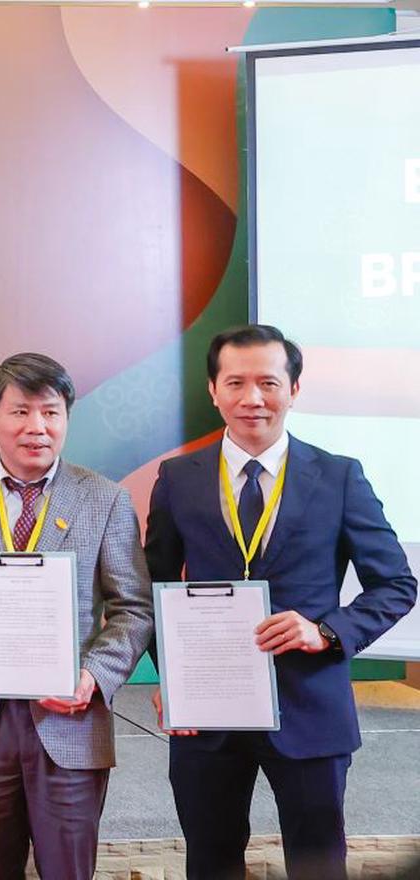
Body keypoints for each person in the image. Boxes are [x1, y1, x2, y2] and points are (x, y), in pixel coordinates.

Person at [145, 324, 416, 880]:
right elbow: (154, 585)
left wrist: (327, 631)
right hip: (208, 713)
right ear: (213, 390)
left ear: (293, 389)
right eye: (235, 382)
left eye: (268, 382)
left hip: (309, 705)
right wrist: (173, 678)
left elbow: (395, 584)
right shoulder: (178, 479)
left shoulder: (339, 477)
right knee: (210, 861)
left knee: (318, 863)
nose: (252, 398)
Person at [0, 353, 153, 880]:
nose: (37, 427)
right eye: (20, 412)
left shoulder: (106, 499)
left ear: (66, 417)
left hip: (70, 716)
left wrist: (95, 676)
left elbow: (133, 608)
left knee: (69, 869)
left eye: (51, 412)